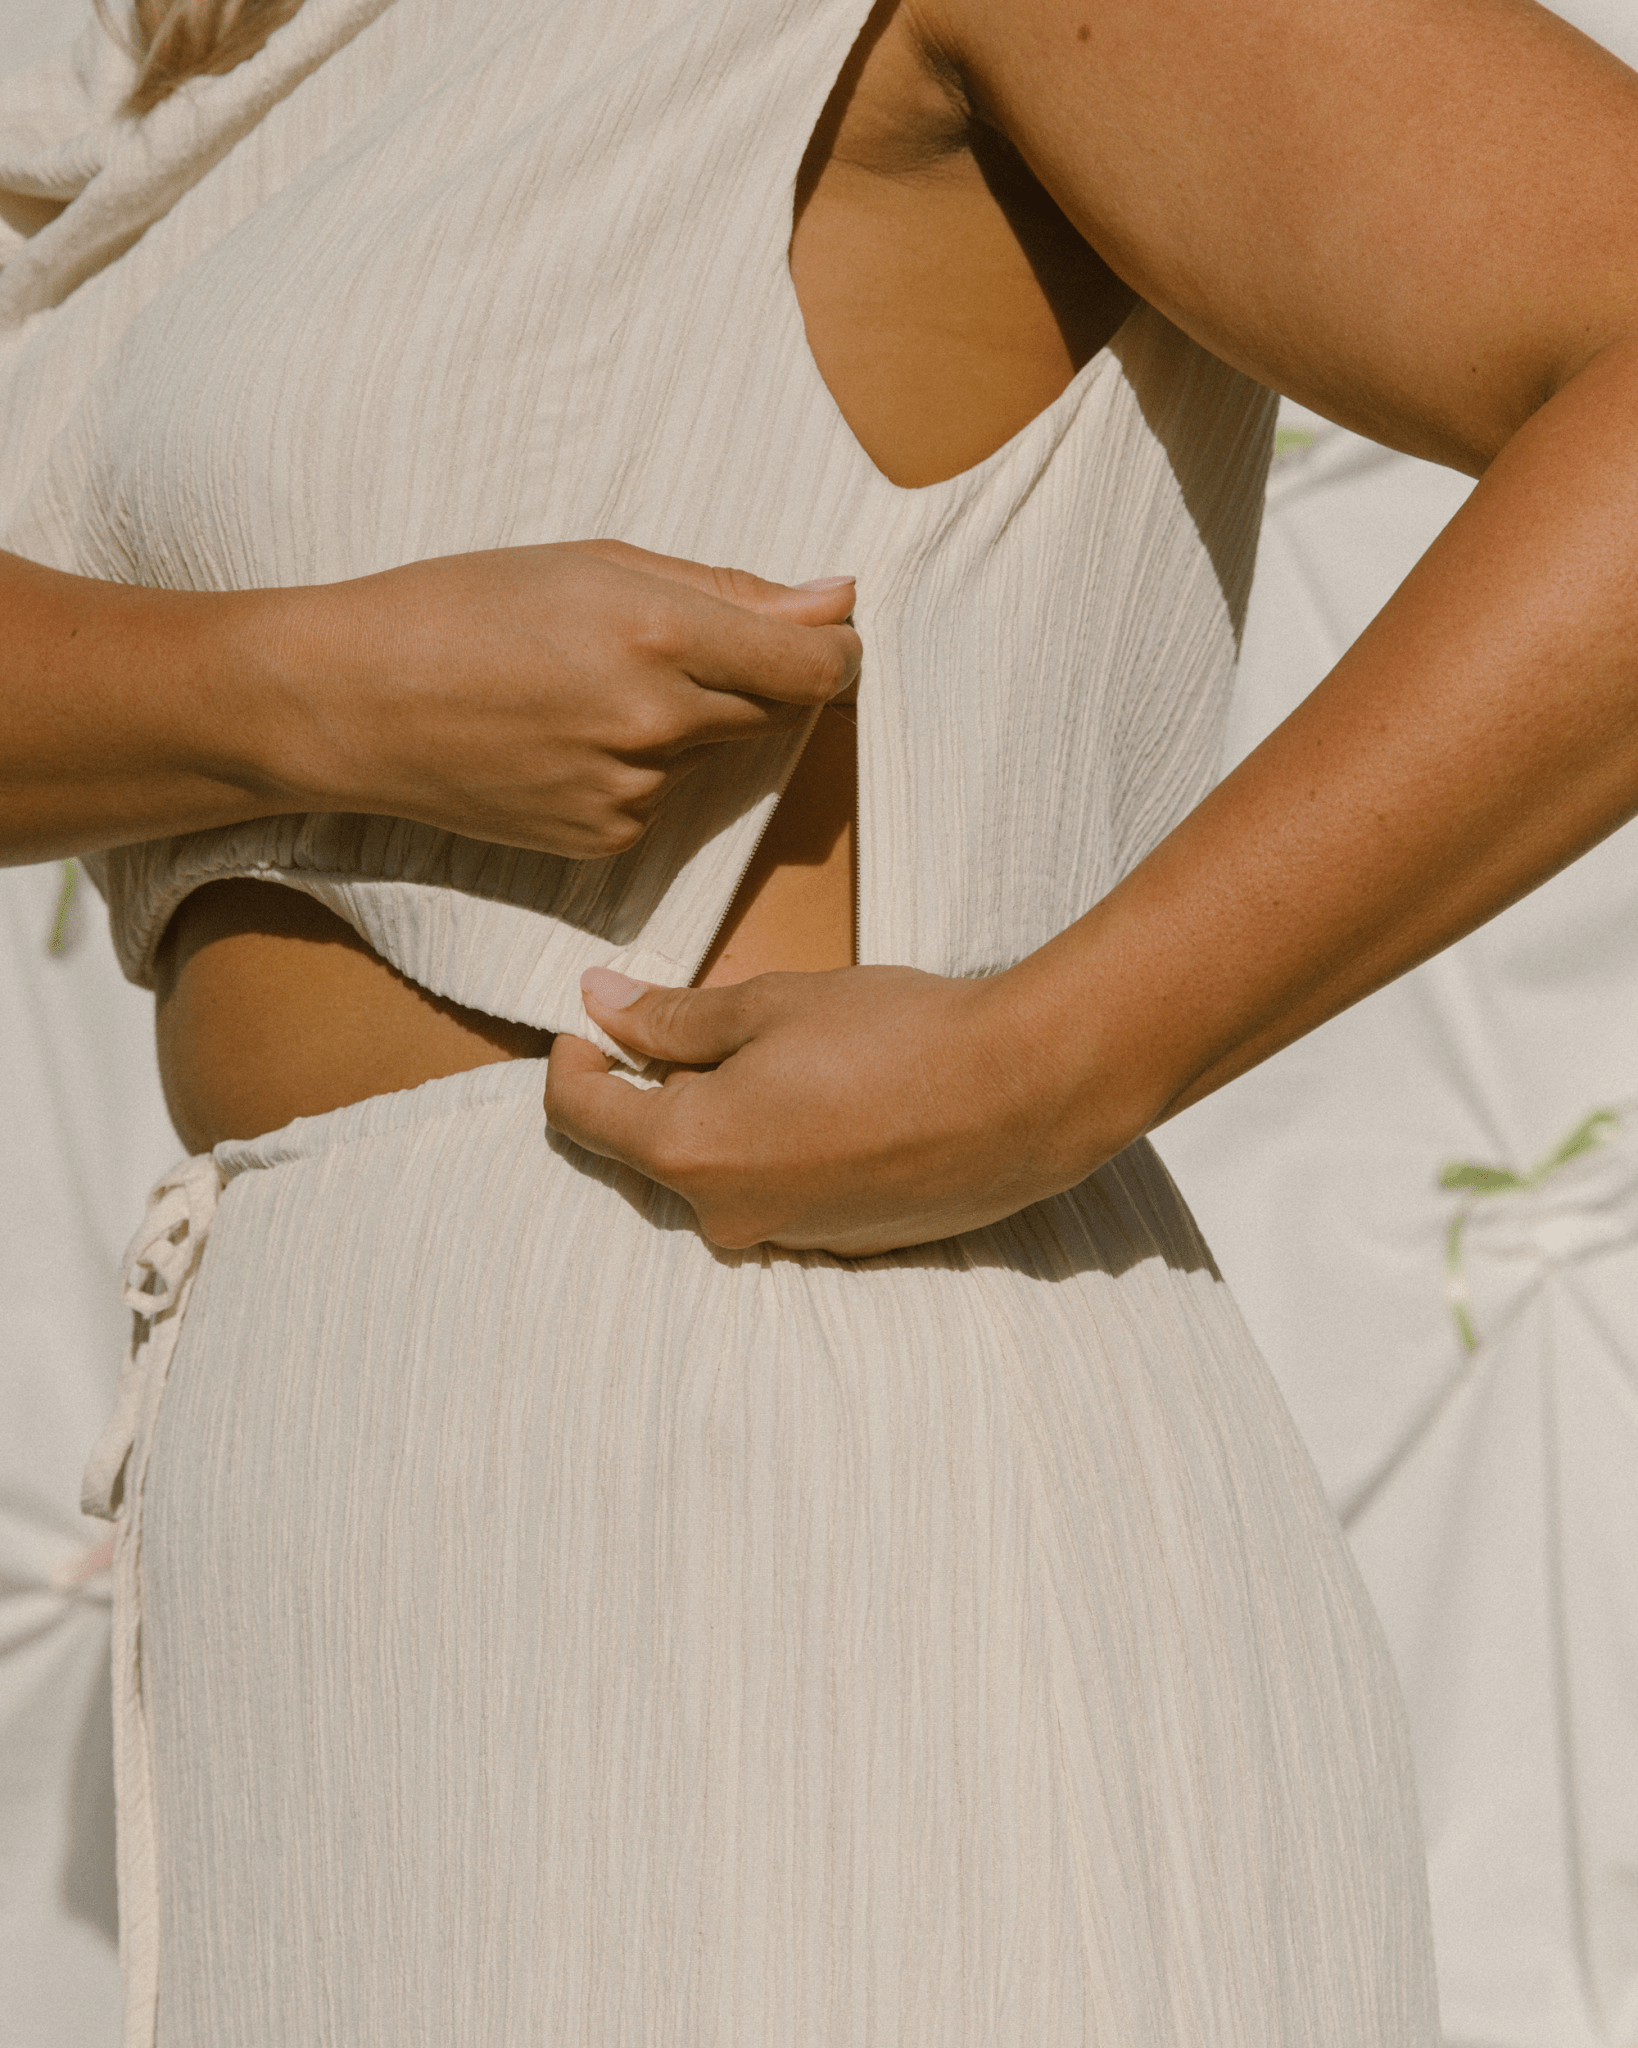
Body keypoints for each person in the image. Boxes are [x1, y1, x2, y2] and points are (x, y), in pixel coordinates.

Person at [3, 0, 1636, 2040]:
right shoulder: (174, 82)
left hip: (802, 1459)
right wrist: (310, 686)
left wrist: (1061, 1053)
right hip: (325, 1563)